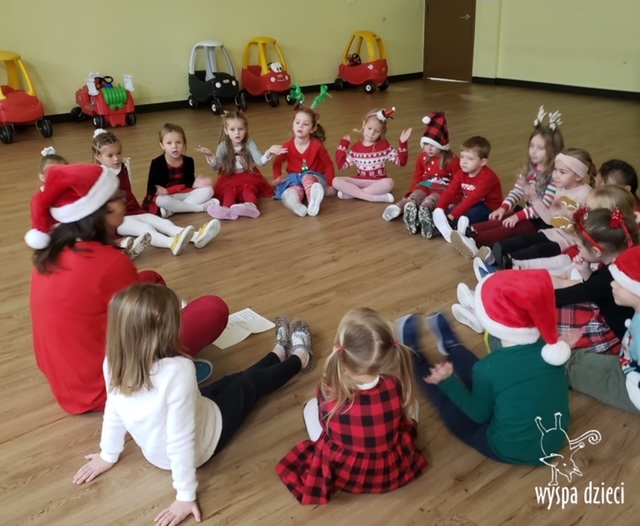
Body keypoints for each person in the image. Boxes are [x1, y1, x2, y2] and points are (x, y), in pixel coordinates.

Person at [73, 289, 313, 526]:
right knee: (249, 385)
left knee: (234, 380)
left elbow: (113, 411)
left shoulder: (112, 362)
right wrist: (184, 496)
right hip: (203, 443)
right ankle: (300, 359)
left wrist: (107, 454)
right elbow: (180, 440)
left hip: (184, 425)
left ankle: (277, 354)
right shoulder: (178, 370)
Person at [26, 164, 230, 415]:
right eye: (118, 196)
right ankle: (168, 379)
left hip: (68, 382)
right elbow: (142, 329)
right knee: (213, 309)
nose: (124, 201)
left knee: (151, 279)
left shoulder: (51, 252)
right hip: (110, 387)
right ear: (101, 210)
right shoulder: (109, 263)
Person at [405, 269, 571, 465]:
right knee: (488, 378)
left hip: (508, 449)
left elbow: (478, 415)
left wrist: (447, 382)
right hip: (553, 442)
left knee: (450, 404)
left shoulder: (489, 368)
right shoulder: (551, 352)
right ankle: (453, 347)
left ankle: (414, 357)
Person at [276, 307, 428, 505]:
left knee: (311, 407)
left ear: (339, 351)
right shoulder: (395, 386)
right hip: (389, 470)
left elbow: (325, 423)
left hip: (345, 473)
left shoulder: (329, 391)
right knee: (412, 404)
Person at [450, 107, 564, 257]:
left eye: (540, 148)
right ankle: (469, 231)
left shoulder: (554, 177)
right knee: (500, 219)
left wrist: (517, 216)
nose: (533, 151)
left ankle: (475, 241)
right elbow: (517, 191)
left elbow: (544, 207)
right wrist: (503, 208)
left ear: (552, 151)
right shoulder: (531, 169)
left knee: (508, 228)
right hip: (527, 214)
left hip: (541, 222)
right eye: (532, 146)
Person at [93, 129, 220, 256]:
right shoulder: (98, 176)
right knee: (145, 229)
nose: (116, 158)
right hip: (116, 220)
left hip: (133, 210)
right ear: (98, 157)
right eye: (110, 156)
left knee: (162, 222)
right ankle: (172, 243)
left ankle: (196, 236)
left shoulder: (123, 167)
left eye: (119, 153)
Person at [565, 245, 640, 413]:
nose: (612, 284)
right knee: (576, 358)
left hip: (632, 391)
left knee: (570, 374)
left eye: (620, 283)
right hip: (627, 365)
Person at [491, 148, 594, 268]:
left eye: (562, 172)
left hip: (570, 241)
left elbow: (569, 226)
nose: (555, 175)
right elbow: (549, 219)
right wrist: (534, 198)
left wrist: (556, 210)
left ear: (578, 176)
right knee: (523, 240)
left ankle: (503, 261)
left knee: (536, 250)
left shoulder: (585, 194)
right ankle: (494, 254)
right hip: (553, 232)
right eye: (555, 169)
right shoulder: (559, 188)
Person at [383, 112, 460, 239]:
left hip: (442, 188)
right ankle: (406, 209)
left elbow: (458, 182)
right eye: (426, 144)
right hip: (425, 184)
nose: (428, 149)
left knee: (430, 200)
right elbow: (418, 176)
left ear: (442, 145)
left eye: (433, 145)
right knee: (415, 196)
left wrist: (453, 201)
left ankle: (424, 214)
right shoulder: (422, 157)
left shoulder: (452, 160)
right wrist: (411, 192)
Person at [195, 110, 283, 220]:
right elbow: (216, 167)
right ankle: (227, 210)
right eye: (232, 129)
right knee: (228, 191)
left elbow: (260, 162)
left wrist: (269, 152)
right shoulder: (223, 146)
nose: (237, 133)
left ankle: (251, 206)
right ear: (226, 131)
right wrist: (210, 156)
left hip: (248, 175)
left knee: (249, 190)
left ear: (246, 130)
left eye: (240, 129)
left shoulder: (249, 144)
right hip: (230, 176)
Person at [431, 136, 503, 242]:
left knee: (465, 217)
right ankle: (437, 226)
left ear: (482, 162)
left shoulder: (487, 177)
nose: (464, 162)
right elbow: (450, 191)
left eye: (470, 159)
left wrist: (452, 216)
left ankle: (454, 228)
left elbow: (472, 199)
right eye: (462, 157)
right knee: (448, 213)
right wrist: (439, 209)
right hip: (470, 202)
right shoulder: (461, 174)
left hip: (488, 207)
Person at [333, 107, 411, 203]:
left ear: (381, 132)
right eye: (369, 128)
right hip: (361, 181)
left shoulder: (385, 146)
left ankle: (353, 194)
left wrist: (403, 143)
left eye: (377, 131)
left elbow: (401, 162)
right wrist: (343, 146)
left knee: (389, 182)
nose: (371, 133)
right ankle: (373, 197)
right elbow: (342, 166)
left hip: (378, 182)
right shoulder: (356, 148)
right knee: (336, 181)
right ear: (364, 124)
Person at [142, 123, 218, 218]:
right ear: (162, 145)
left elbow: (189, 183)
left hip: (183, 193)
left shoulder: (189, 161)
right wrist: (157, 189)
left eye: (178, 142)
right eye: (169, 143)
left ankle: (172, 210)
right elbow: (150, 187)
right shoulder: (157, 163)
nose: (174, 146)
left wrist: (197, 183)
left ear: (184, 143)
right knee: (160, 200)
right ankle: (200, 208)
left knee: (209, 190)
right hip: (168, 195)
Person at [273, 103, 335, 217]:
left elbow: (328, 165)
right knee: (291, 190)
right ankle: (297, 205)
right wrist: (278, 177)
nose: (300, 126)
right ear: (292, 124)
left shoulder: (317, 146)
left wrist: (330, 183)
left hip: (315, 177)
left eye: (305, 124)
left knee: (307, 178)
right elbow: (277, 163)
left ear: (313, 129)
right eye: (297, 122)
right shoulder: (287, 146)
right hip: (296, 179)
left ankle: (313, 201)